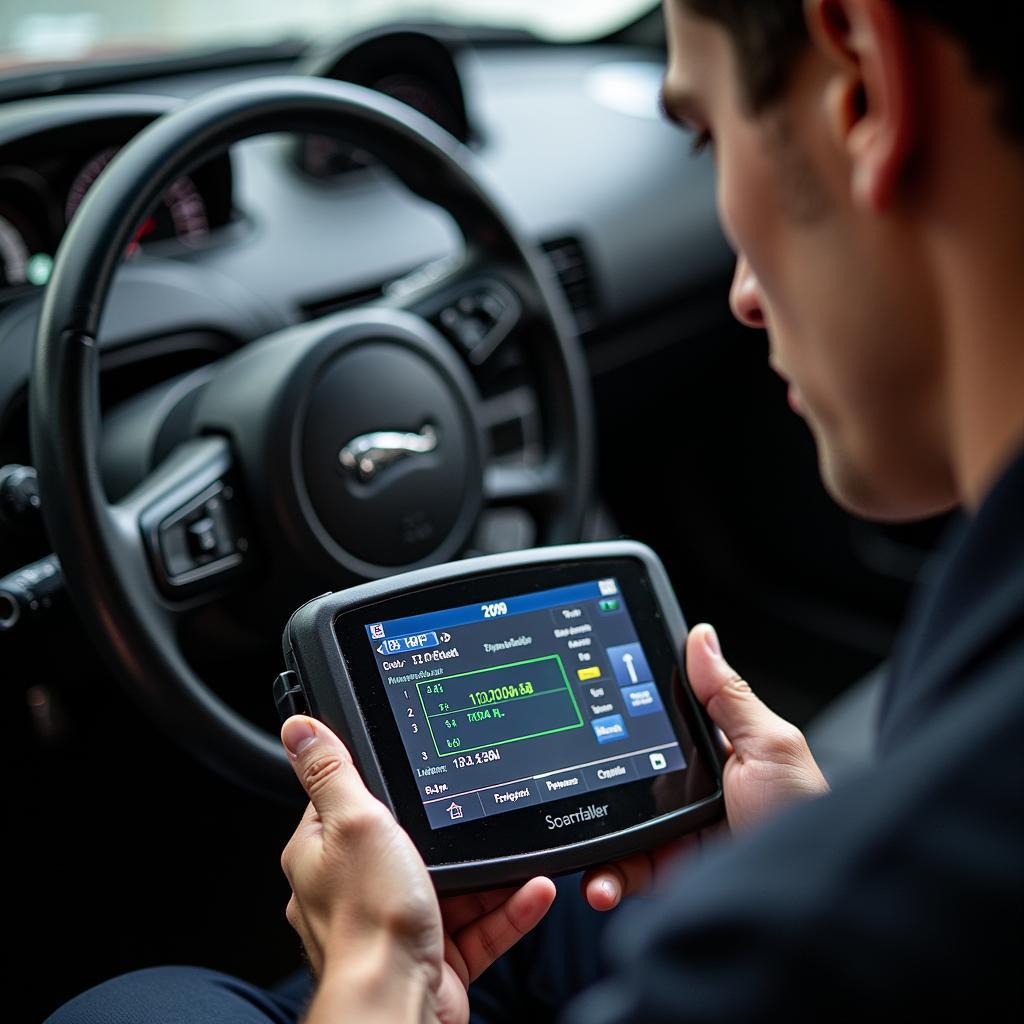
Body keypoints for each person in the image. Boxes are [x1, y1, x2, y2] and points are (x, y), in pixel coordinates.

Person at [46, 0, 1024, 1021]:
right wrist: (800, 847)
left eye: (705, 134)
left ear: (862, 83)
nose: (740, 292)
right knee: (547, 911)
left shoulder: (825, 933)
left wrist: (374, 977)